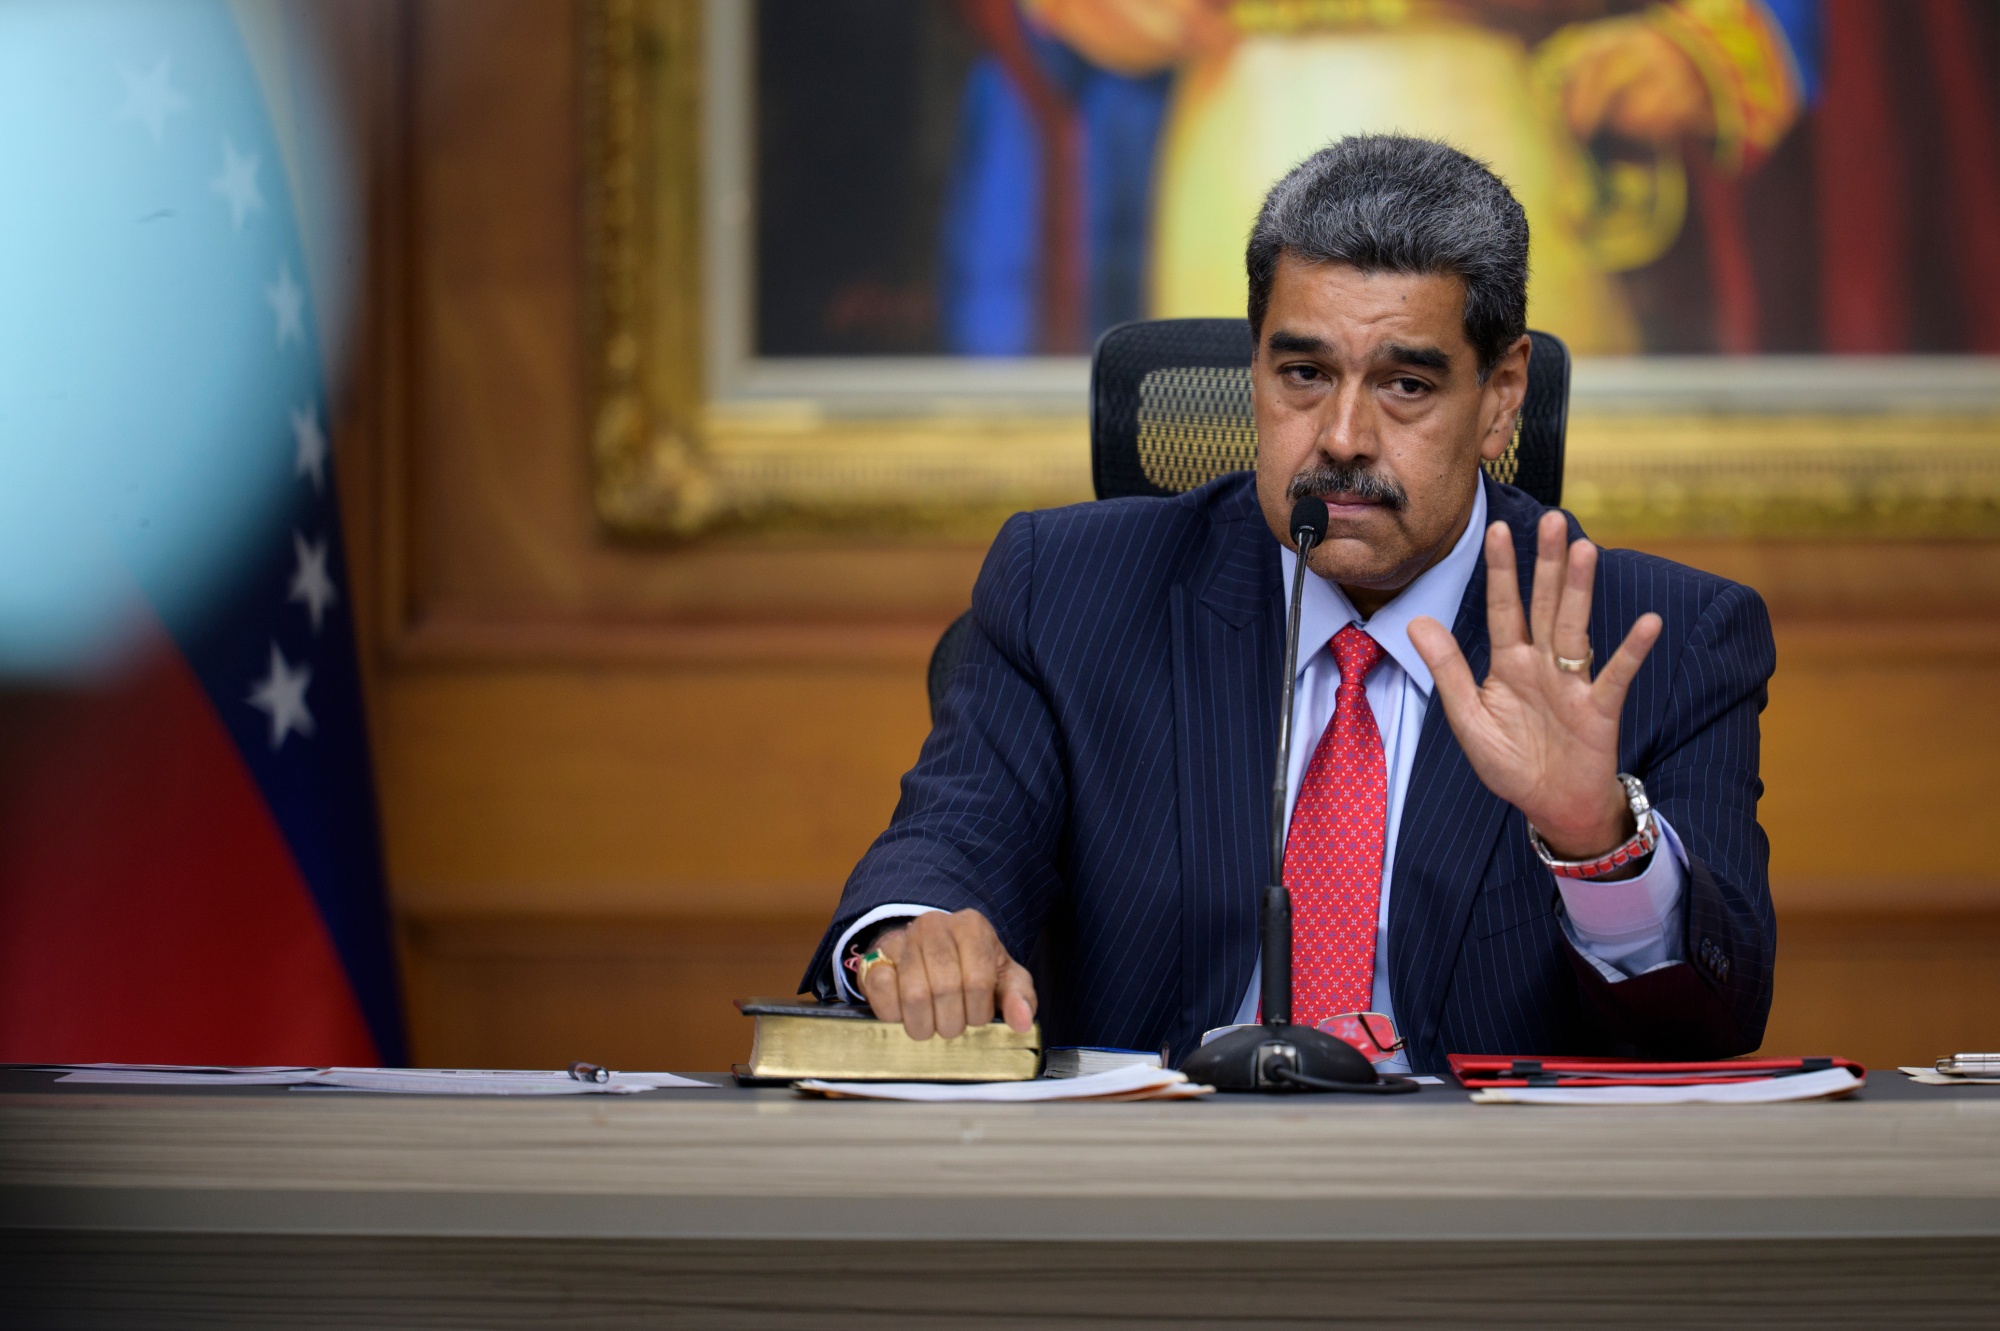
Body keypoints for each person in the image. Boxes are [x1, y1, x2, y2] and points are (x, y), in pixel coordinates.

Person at [804, 134, 1775, 1074]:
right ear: (1254, 370)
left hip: (1485, 1213)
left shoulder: (1657, 643)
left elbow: (1708, 1023)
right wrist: (912, 937)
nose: (1342, 437)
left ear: (1499, 394)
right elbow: (941, 849)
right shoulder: (1065, 593)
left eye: (1404, 384)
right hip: (1149, 1204)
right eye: (1303, 374)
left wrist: (1594, 843)